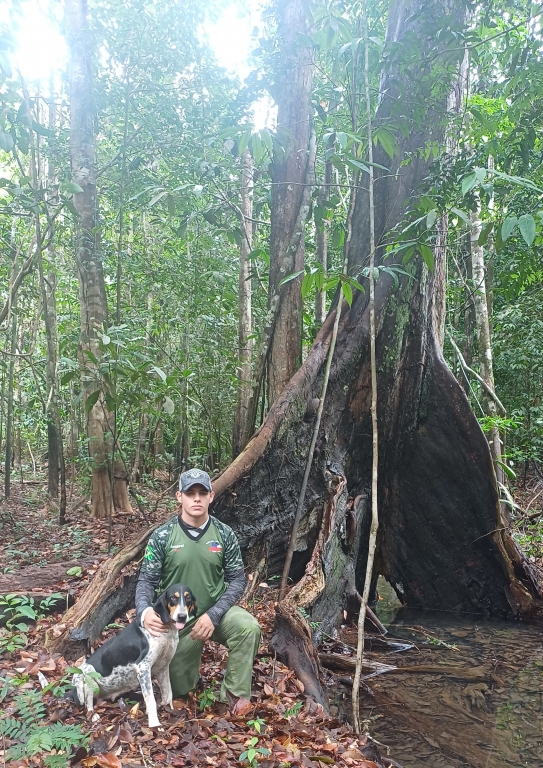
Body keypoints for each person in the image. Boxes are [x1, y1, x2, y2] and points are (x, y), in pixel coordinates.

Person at [135, 468, 261, 710]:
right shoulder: (162, 536)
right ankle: (187, 684)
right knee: (177, 688)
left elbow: (237, 580)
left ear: (211, 496)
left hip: (216, 611)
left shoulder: (224, 534)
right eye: (190, 493)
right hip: (178, 621)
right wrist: (145, 611)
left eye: (202, 493)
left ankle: (233, 698)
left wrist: (214, 614)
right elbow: (146, 582)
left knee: (248, 629)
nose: (196, 498)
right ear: (179, 497)